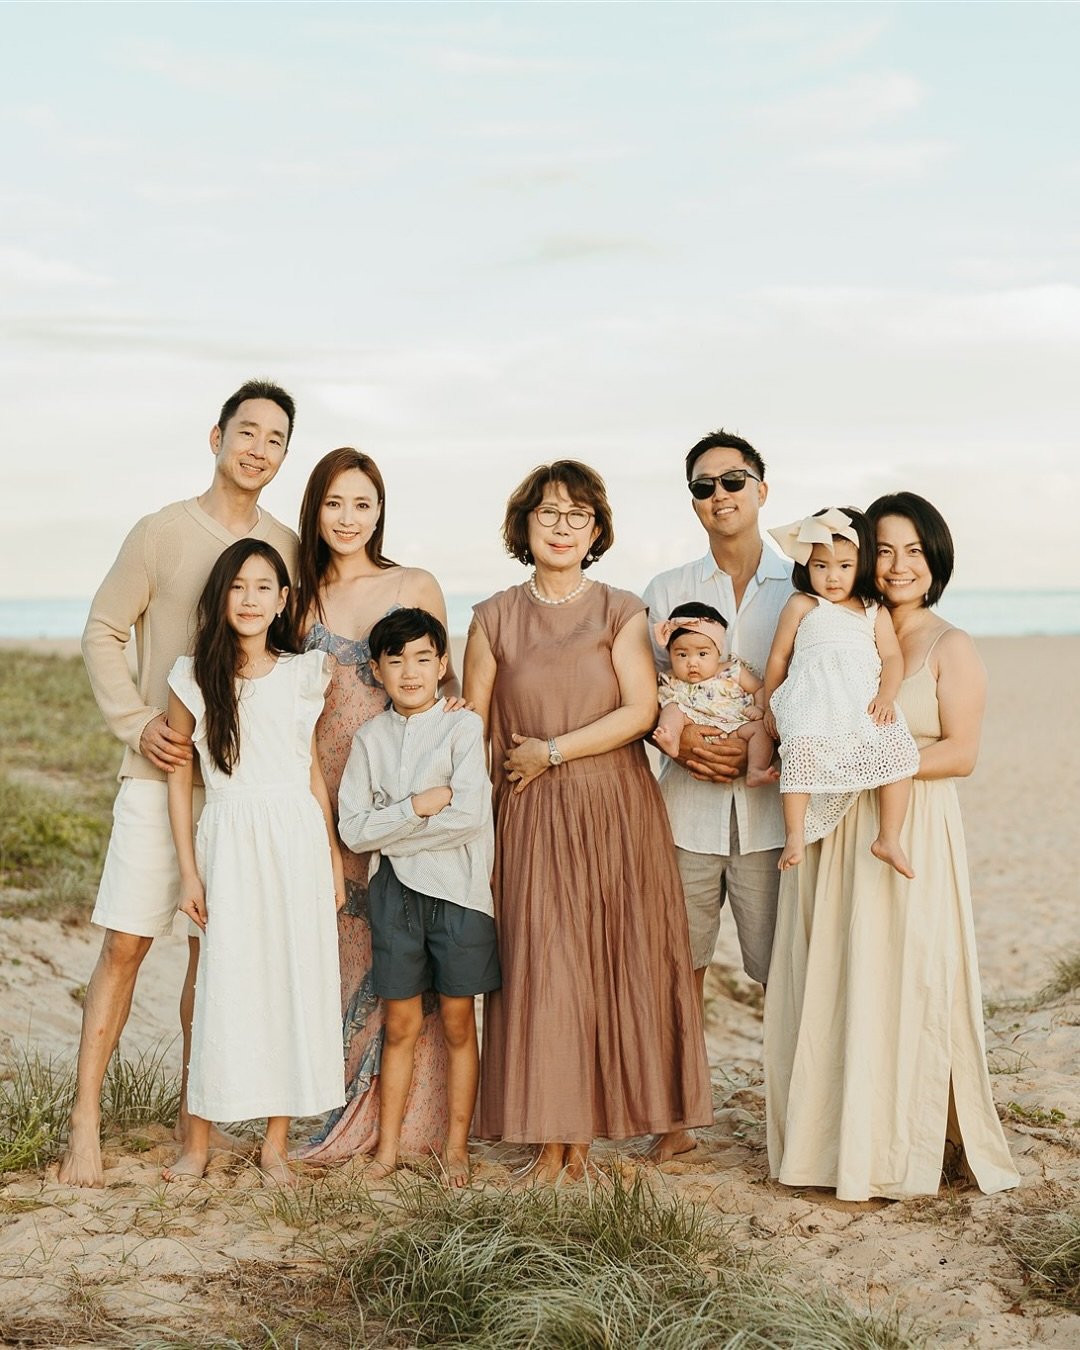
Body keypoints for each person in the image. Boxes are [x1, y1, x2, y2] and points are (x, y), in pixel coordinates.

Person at [58, 379, 299, 1188]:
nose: (259, 449)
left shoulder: (286, 545)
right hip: (156, 774)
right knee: (126, 943)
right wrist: (135, 722)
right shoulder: (161, 530)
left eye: (275, 439)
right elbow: (103, 628)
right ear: (216, 437)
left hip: (236, 793)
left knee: (214, 957)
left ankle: (195, 1124)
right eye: (247, 431)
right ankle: (84, 1121)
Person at [764, 492, 1019, 1201]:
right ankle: (828, 1146)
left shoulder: (949, 644)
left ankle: (898, 1146)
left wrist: (869, 766)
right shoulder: (834, 625)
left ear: (936, 559)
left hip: (908, 827)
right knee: (834, 981)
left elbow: (962, 753)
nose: (899, 565)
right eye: (885, 550)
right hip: (832, 827)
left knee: (905, 979)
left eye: (914, 551)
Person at [465, 461, 712, 1181]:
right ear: (524, 525)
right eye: (548, 513)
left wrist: (552, 751)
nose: (563, 526)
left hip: (615, 807)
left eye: (578, 515)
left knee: (617, 963)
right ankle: (553, 1138)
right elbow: (472, 727)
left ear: (597, 529)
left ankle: (608, 1132)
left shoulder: (621, 610)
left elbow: (639, 711)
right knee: (544, 965)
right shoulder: (491, 617)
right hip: (529, 810)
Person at [292, 447, 458, 1164]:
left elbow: (444, 696)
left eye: (362, 504)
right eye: (334, 503)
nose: (348, 518)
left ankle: (412, 1123)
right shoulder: (296, 597)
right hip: (317, 793)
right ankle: (339, 1106)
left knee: (407, 946)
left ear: (380, 510)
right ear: (314, 510)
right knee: (338, 946)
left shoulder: (413, 584)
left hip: (399, 794)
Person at [164, 539, 345, 1184]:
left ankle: (275, 1144)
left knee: (291, 982)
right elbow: (179, 780)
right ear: (221, 597)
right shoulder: (193, 676)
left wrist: (331, 857)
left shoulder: (305, 674)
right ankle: (197, 1143)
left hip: (295, 839)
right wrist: (189, 871)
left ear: (283, 600)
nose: (249, 599)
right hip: (230, 838)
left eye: (263, 586)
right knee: (224, 986)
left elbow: (312, 772)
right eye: (237, 586)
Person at [337, 608, 500, 1187]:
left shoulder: (462, 728)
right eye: (396, 660)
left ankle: (456, 1149)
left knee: (458, 1021)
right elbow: (353, 830)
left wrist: (392, 825)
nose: (410, 672)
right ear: (377, 670)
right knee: (400, 1024)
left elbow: (469, 816)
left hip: (459, 894)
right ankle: (386, 1149)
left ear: (442, 664)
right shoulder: (369, 739)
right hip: (394, 894)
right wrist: (418, 806)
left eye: (423, 658)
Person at [643, 431, 793, 1009]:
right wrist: (683, 742)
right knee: (678, 973)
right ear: (694, 503)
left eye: (733, 481)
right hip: (684, 817)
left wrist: (769, 741)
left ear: (761, 490)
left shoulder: (802, 585)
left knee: (784, 975)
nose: (720, 494)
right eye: (704, 487)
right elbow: (640, 691)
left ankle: (786, 1075)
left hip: (775, 816)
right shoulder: (665, 591)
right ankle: (686, 1076)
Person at [762, 507, 920, 876]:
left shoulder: (872, 609)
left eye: (844, 566)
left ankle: (888, 838)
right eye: (821, 566)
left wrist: (886, 696)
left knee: (899, 753)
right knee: (800, 749)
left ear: (861, 565)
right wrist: (770, 705)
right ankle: (794, 834)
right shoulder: (802, 604)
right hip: (811, 699)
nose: (832, 577)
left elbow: (892, 658)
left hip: (860, 701)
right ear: (806, 565)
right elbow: (778, 657)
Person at [652, 602, 777, 786]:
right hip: (694, 724)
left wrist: (759, 707)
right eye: (682, 655)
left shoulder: (732, 670)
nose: (692, 663)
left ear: (718, 652)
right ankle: (672, 740)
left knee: (760, 729)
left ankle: (756, 770)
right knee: (672, 708)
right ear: (670, 654)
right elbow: (651, 706)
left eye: (702, 654)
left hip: (735, 727)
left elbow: (760, 688)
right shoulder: (670, 679)